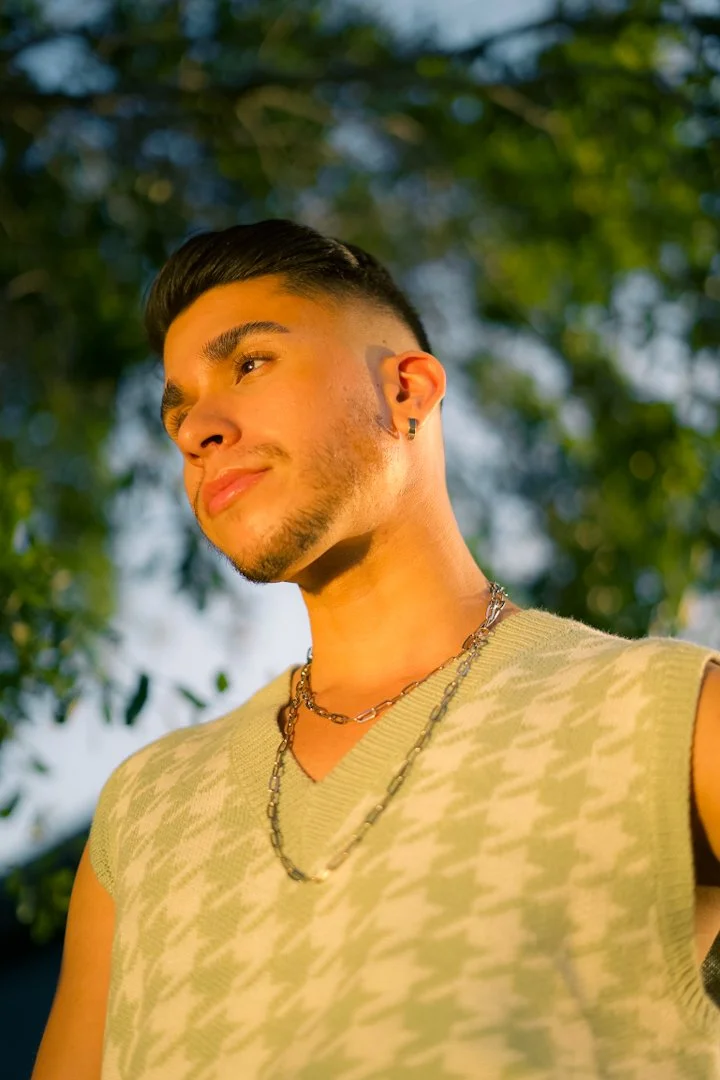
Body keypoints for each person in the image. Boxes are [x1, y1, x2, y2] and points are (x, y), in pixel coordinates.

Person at [33, 219, 720, 1080]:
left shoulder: (660, 709)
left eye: (248, 364)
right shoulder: (140, 810)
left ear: (408, 390)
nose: (199, 427)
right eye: (179, 414)